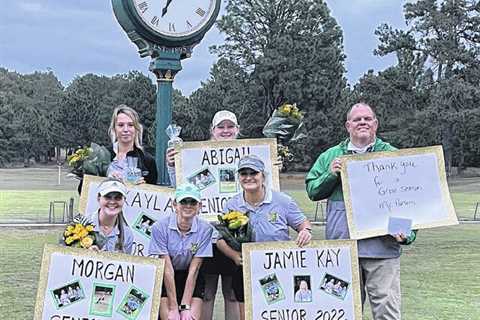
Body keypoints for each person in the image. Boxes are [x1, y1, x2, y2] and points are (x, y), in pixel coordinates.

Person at [305, 102, 417, 319]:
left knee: (387, 313)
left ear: (375, 124)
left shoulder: (393, 155)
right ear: (348, 125)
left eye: (367, 119)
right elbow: (312, 190)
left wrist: (407, 234)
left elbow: (408, 200)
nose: (362, 122)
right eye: (357, 119)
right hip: (341, 251)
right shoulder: (331, 156)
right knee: (340, 313)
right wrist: (331, 175)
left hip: (382, 250)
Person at [166, 110, 242, 320]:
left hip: (235, 236)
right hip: (204, 235)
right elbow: (182, 190)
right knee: (206, 294)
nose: (225, 131)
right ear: (212, 131)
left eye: (230, 127)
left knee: (233, 294)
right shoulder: (197, 156)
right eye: (221, 127)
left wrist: (274, 163)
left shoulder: (248, 156)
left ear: (237, 130)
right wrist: (173, 166)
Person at [217, 155, 312, 319]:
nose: (248, 177)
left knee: (279, 312)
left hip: (280, 268)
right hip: (247, 269)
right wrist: (234, 256)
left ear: (263, 176)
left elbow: (303, 224)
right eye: (243, 173)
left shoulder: (283, 201)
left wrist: (306, 231)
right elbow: (219, 238)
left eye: (253, 173)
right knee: (247, 314)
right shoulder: (232, 204)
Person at [149, 183, 214, 320]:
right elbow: (167, 269)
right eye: (183, 201)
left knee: (189, 317)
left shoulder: (206, 229)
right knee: (170, 317)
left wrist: (184, 306)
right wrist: (174, 307)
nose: (188, 205)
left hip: (190, 275)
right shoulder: (159, 227)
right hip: (166, 275)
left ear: (199, 206)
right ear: (174, 204)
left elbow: (194, 269)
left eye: (193, 202)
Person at [107, 105, 157, 184]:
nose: (126, 130)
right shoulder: (102, 156)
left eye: (130, 125)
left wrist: (142, 187)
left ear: (136, 129)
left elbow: (154, 191)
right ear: (114, 128)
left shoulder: (148, 161)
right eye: (121, 125)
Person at [86, 178, 134, 254]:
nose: (112, 201)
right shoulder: (81, 225)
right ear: (98, 198)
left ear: (124, 200)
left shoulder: (127, 234)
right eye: (107, 197)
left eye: (118, 198)